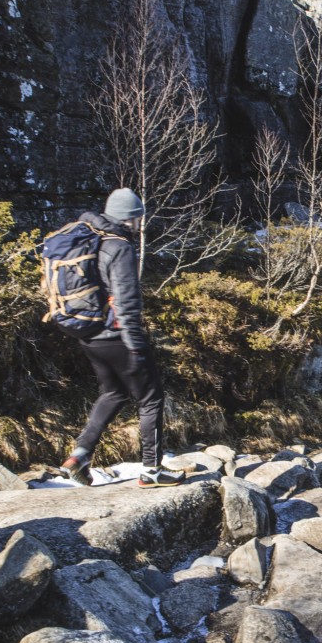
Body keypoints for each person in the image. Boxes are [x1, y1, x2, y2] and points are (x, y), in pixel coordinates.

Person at [60, 188, 186, 488]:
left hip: (88, 334)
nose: (140, 223)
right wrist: (136, 345)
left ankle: (79, 456)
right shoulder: (119, 246)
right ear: (131, 218)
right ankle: (152, 471)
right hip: (117, 334)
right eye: (138, 217)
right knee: (151, 397)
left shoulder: (89, 237)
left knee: (112, 393)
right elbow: (127, 300)